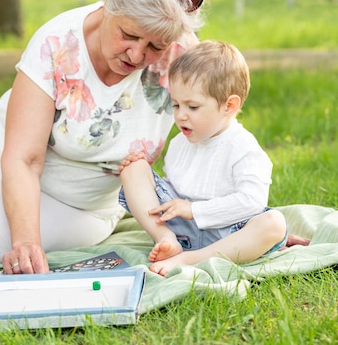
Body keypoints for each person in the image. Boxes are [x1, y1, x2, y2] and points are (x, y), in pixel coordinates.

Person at [0, 0, 209, 274]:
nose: (137, 53)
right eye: (128, 35)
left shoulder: (184, 58)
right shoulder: (58, 41)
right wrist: (26, 241)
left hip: (75, 204)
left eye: (154, 46)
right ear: (108, 4)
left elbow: (217, 132)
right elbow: (24, 158)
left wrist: (247, 220)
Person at [118, 41, 288, 277]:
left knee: (274, 223)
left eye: (193, 107)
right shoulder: (180, 143)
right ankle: (166, 240)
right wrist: (163, 197)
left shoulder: (243, 148)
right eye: (176, 104)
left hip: (227, 233)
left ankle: (190, 259)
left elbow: (252, 201)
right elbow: (176, 188)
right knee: (133, 167)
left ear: (229, 106)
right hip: (181, 229)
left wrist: (195, 210)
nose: (181, 115)